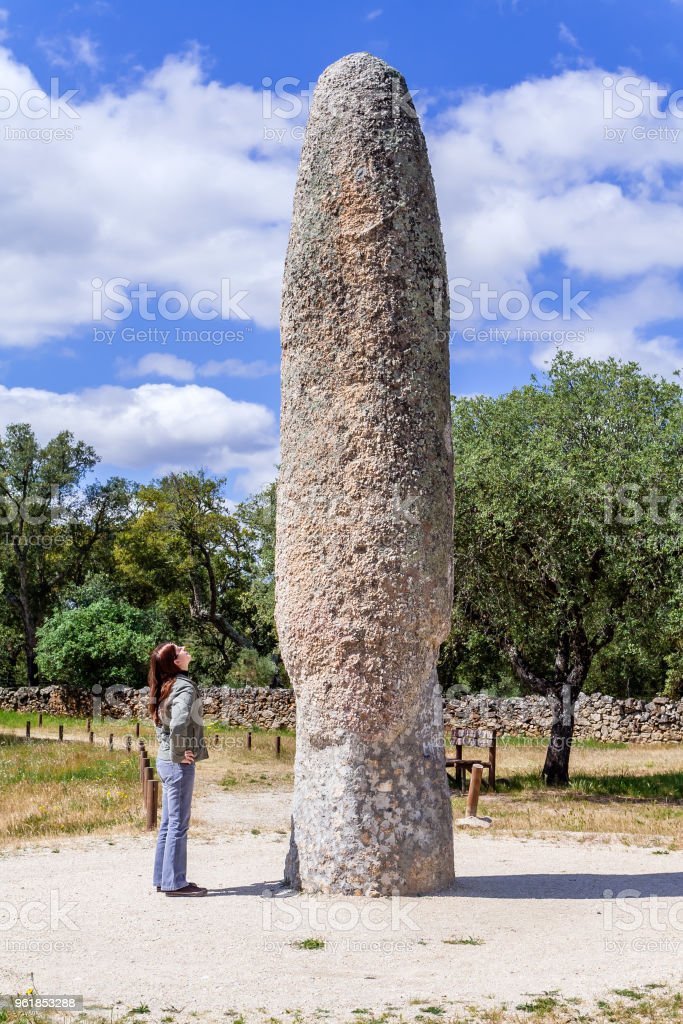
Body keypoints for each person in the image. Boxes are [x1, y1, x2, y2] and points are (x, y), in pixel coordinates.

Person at [148, 641, 209, 896]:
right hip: (176, 764)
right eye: (180, 649)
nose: (185, 649)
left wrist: (169, 750)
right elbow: (180, 722)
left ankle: (164, 879)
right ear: (176, 662)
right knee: (178, 824)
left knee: (168, 823)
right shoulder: (183, 687)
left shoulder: (165, 686)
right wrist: (178, 752)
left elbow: (161, 723)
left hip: (165, 761)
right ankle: (176, 883)